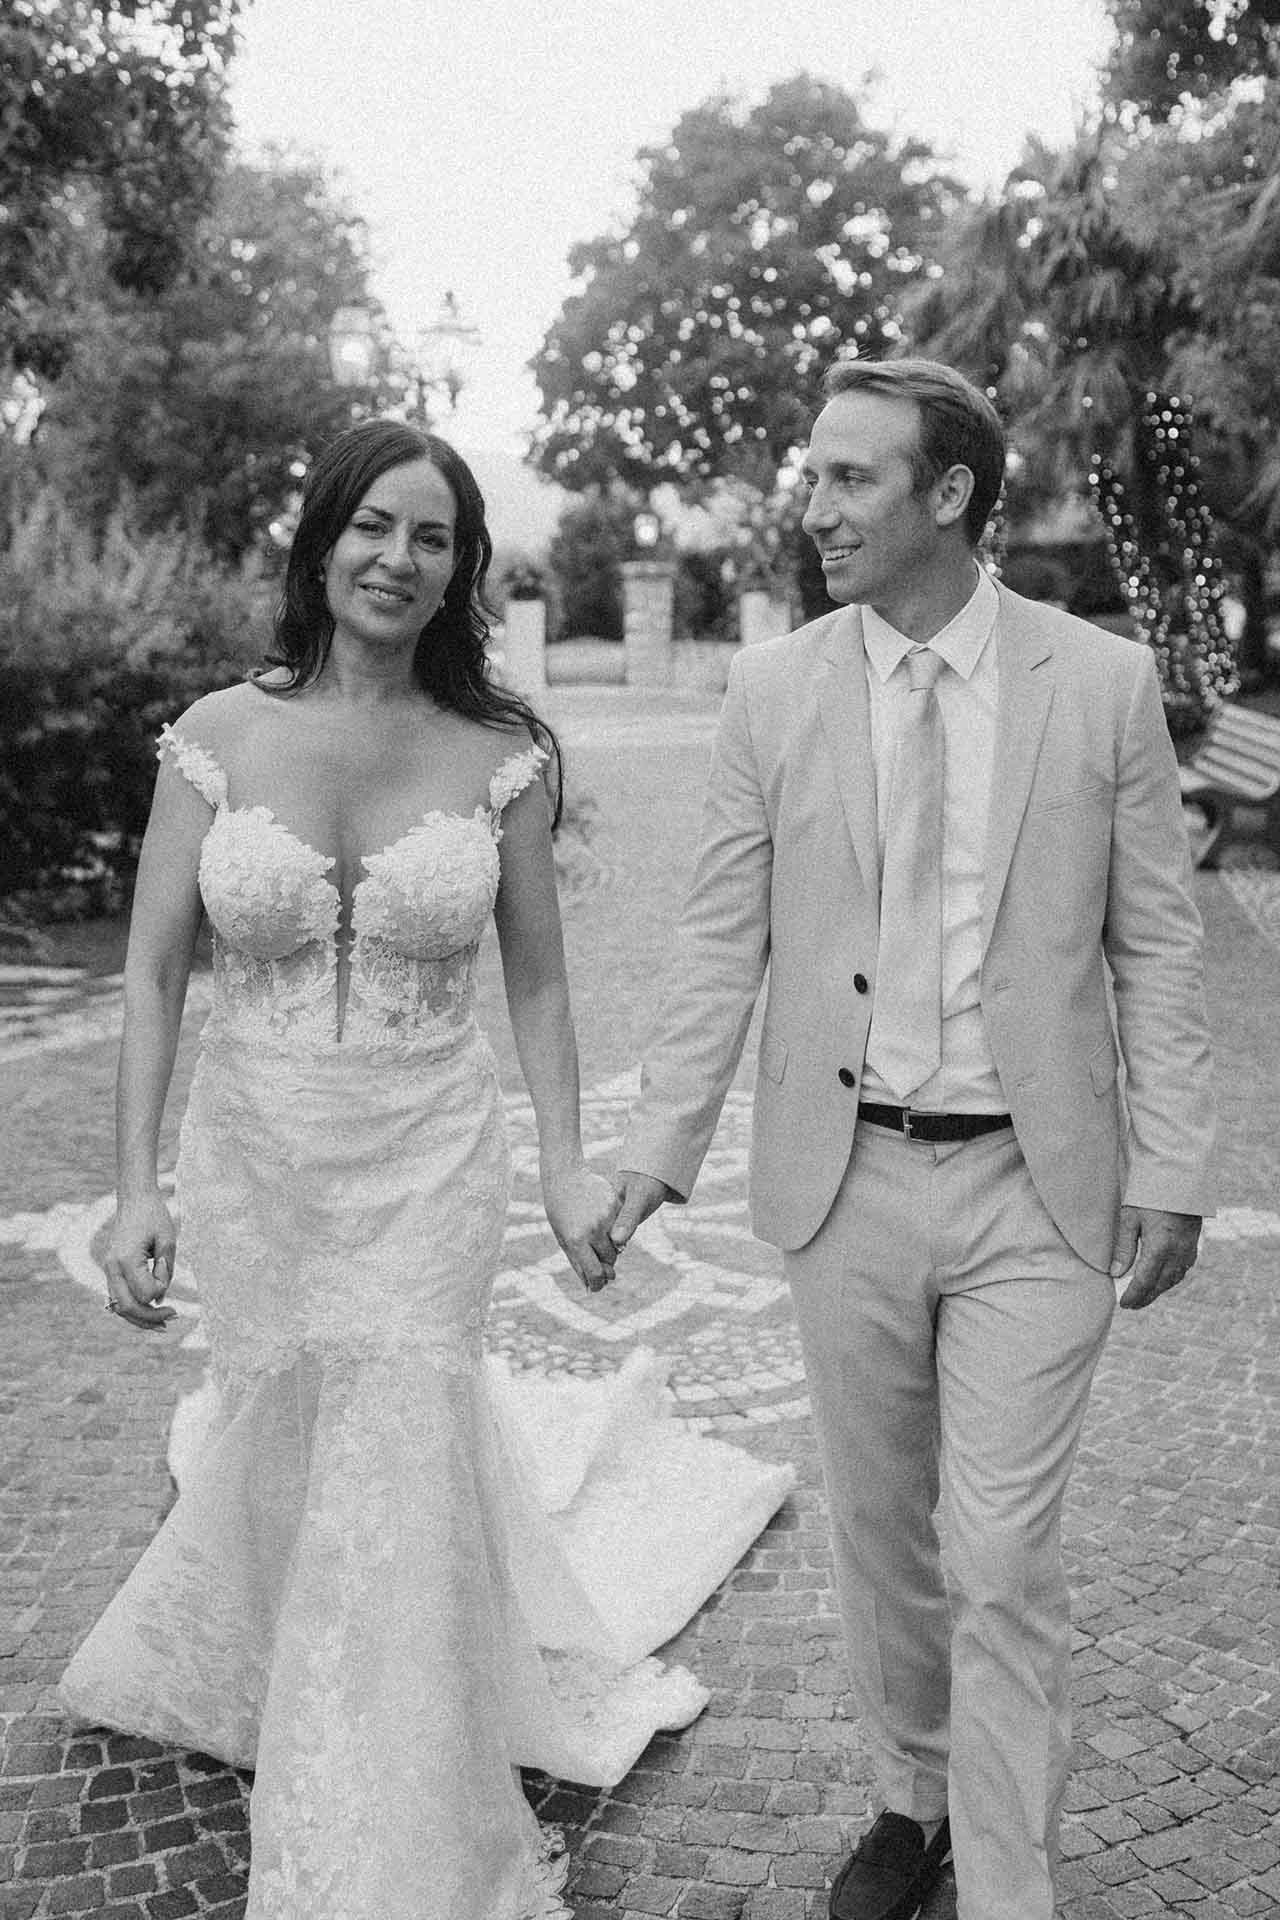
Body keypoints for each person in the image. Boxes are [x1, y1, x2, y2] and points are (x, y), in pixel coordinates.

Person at [60, 419, 793, 1920]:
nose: (401, 560)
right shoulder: (216, 737)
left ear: (461, 569)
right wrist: (139, 1189)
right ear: (322, 542)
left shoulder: (500, 755)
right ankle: (276, 1649)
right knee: (283, 1419)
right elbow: (148, 976)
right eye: (376, 528)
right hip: (260, 1152)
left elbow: (536, 985)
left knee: (393, 1430)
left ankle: (380, 1821)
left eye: (436, 537)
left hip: (426, 1162)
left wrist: (570, 1170)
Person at [611, 359, 1214, 1920]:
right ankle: (911, 1798)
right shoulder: (776, 688)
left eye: (847, 480)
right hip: (845, 1174)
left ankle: (1009, 1886)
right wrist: (657, 1149)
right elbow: (715, 938)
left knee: (1001, 1550)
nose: (812, 508)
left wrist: (1177, 1164)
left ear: (948, 495)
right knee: (888, 1535)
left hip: (1040, 1178)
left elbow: (1158, 944)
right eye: (812, 476)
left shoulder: (1100, 683)